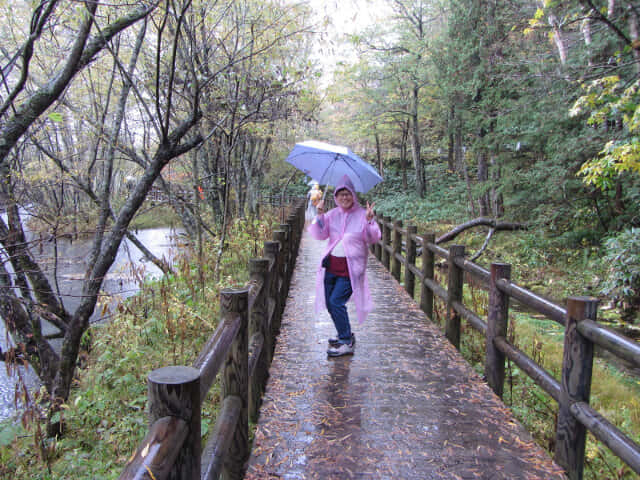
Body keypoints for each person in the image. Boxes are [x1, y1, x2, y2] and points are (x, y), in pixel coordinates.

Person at [308, 174, 381, 357]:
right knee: (331, 303)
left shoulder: (362, 215)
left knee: (336, 301)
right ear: (336, 197)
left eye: (347, 194)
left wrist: (370, 221)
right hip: (331, 265)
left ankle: (346, 342)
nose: (344, 197)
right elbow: (320, 235)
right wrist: (319, 215)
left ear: (353, 195)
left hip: (351, 268)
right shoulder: (332, 214)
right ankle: (344, 334)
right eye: (340, 194)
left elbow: (372, 238)